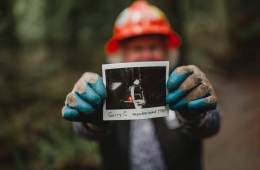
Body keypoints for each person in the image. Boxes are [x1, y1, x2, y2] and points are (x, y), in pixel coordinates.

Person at [61, 1, 221, 170]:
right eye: (137, 48)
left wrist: (196, 116)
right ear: (121, 54)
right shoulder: (107, 88)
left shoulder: (185, 84)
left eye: (153, 47)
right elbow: (85, 132)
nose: (146, 54)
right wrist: (92, 121)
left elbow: (213, 124)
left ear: (167, 51)